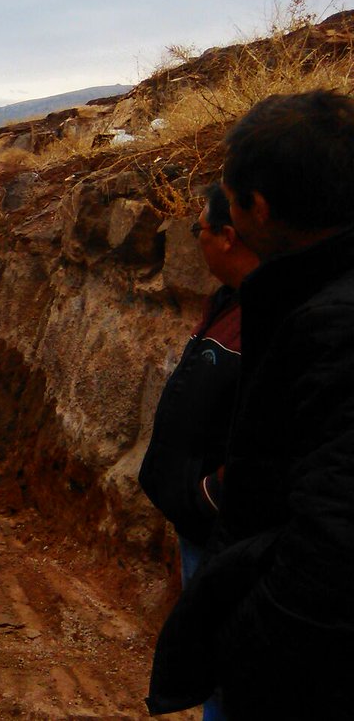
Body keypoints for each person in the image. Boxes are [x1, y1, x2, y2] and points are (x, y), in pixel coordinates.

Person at [148, 90, 354, 718]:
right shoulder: (295, 301)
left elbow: (331, 546)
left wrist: (235, 643)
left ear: (256, 210)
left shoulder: (331, 327)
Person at [139, 183, 258, 721]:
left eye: (198, 230)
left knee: (234, 670)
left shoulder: (275, 318)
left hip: (227, 532)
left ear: (228, 237)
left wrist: (209, 496)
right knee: (215, 661)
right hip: (204, 524)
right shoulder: (228, 301)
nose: (196, 240)